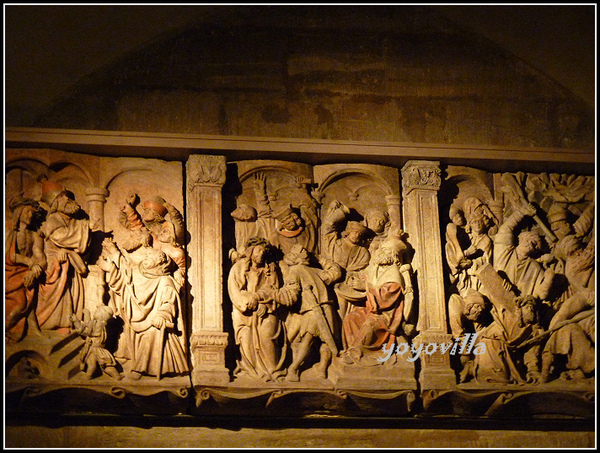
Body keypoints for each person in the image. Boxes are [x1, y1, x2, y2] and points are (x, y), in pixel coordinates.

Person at [97, 231, 189, 380]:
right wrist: (111, 264)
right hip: (138, 317)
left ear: (157, 264)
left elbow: (169, 302)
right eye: (145, 258)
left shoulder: (165, 281)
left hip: (156, 322)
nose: (145, 260)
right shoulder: (142, 273)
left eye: (149, 258)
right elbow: (127, 275)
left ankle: (141, 369)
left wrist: (161, 315)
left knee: (151, 334)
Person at [227, 237, 294, 381]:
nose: (261, 254)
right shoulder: (238, 268)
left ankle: (273, 370)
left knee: (267, 334)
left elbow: (273, 289)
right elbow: (235, 292)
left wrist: (262, 302)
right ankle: (253, 371)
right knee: (245, 337)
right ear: (250, 252)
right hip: (245, 313)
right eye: (258, 250)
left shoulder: (270, 269)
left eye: (263, 251)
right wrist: (252, 304)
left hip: (268, 308)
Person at [340, 233, 413, 366]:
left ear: (392, 255)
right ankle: (349, 349)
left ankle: (356, 354)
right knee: (351, 318)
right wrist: (358, 279)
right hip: (371, 310)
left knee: (369, 325)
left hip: (386, 315)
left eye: (384, 251)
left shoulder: (394, 275)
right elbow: (367, 277)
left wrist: (366, 286)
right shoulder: (378, 268)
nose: (380, 253)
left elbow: (383, 300)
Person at [278, 245, 342, 381]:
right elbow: (335, 272)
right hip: (324, 308)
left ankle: (296, 368)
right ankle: (320, 369)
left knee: (311, 340)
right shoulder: (316, 271)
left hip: (314, 309)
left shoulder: (297, 270)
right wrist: (321, 259)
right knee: (324, 340)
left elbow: (292, 291)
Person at [37, 179, 91, 335]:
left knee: (67, 295)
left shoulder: (71, 221)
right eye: (65, 197)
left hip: (68, 267)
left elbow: (79, 243)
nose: (69, 200)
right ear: (56, 202)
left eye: (69, 197)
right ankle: (49, 322)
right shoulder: (53, 220)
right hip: (54, 266)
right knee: (58, 295)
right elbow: (62, 237)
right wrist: (86, 228)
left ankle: (64, 323)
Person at [321, 200, 371, 322]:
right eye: (355, 232)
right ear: (348, 232)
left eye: (360, 234)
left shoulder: (363, 252)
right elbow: (326, 228)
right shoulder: (335, 244)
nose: (357, 236)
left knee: (343, 314)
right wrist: (340, 212)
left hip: (349, 288)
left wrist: (355, 279)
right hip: (329, 280)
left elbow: (363, 270)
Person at [5, 197, 47, 341]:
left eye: (33, 214)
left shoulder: (35, 235)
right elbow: (8, 254)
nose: (31, 215)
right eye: (28, 211)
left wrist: (35, 270)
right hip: (9, 272)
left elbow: (40, 258)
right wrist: (30, 262)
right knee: (21, 303)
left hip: (25, 273)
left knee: (27, 301)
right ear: (20, 211)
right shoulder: (11, 232)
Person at [70, 305, 122, 380]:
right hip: (100, 350)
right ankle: (117, 376)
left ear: (102, 315)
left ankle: (88, 377)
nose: (95, 311)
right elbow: (89, 324)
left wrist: (76, 321)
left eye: (97, 311)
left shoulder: (97, 325)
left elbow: (85, 331)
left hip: (93, 349)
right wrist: (87, 314)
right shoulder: (102, 325)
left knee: (92, 365)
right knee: (107, 366)